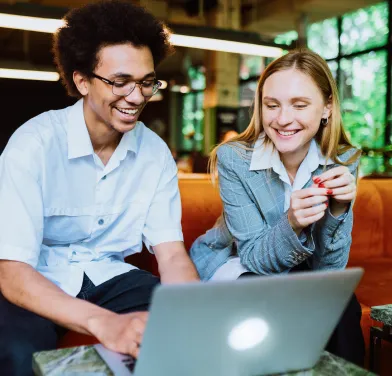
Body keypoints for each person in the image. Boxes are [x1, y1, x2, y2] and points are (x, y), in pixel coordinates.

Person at [0, 1, 199, 374]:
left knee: (184, 335)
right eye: (120, 82)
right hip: (37, 278)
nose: (137, 96)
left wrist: (194, 313)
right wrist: (101, 322)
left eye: (146, 82)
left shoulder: (155, 153)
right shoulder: (34, 145)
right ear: (82, 81)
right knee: (16, 351)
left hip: (112, 277)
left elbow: (171, 255)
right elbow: (13, 272)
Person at [190, 49, 364, 365]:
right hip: (237, 264)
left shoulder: (344, 160)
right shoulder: (235, 159)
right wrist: (293, 222)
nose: (282, 119)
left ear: (326, 107)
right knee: (266, 295)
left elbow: (328, 272)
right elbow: (255, 258)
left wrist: (339, 211)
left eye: (299, 105)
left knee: (342, 302)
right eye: (272, 105)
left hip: (300, 274)